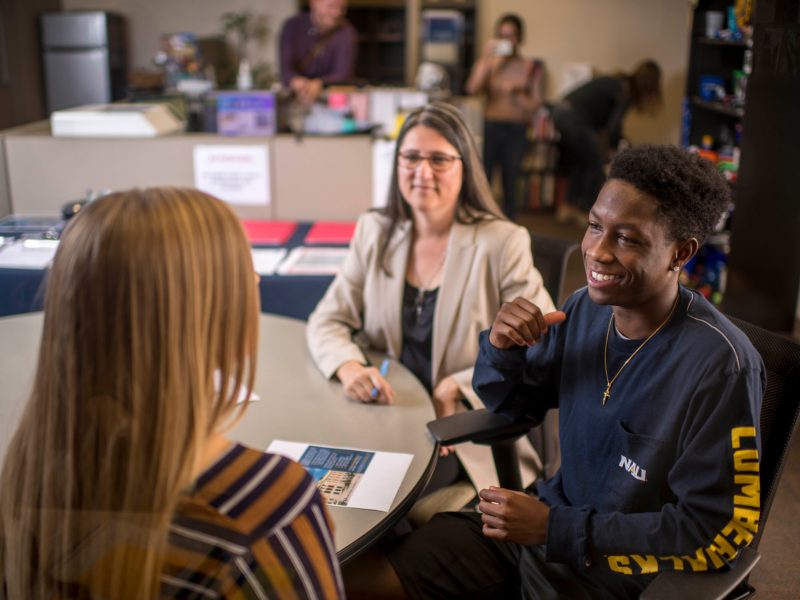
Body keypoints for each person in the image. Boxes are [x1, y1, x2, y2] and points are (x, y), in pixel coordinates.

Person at [376, 145, 764, 599]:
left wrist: (557, 529)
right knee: (358, 580)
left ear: (680, 253)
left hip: (615, 572)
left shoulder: (719, 366)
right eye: (595, 226)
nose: (596, 251)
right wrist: (503, 351)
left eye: (627, 238)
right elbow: (513, 407)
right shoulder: (584, 310)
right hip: (541, 529)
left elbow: (715, 535)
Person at [0, 188, 344, 599]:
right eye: (244, 272)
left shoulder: (26, 483)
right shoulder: (267, 509)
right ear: (211, 313)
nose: (255, 281)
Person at [306, 102, 555, 497]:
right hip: (383, 414)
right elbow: (327, 319)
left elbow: (542, 345)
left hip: (459, 429)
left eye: (438, 159)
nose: (422, 172)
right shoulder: (376, 229)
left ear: (464, 166)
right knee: (311, 482)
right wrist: (349, 367)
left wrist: (455, 387)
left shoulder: (502, 242)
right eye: (411, 158)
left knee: (375, 496)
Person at [553, 59, 663, 226]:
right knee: (595, 164)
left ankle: (568, 207)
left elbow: (608, 125)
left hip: (560, 112)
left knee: (581, 162)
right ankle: (589, 214)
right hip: (574, 118)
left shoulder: (618, 82)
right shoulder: (626, 90)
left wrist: (615, 141)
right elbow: (613, 126)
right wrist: (615, 147)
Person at [466, 13, 543, 220]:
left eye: (511, 36)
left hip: (516, 130)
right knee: (485, 178)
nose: (507, 40)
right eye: (502, 35)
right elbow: (472, 88)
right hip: (491, 126)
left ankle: (510, 225)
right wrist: (486, 59)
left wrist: (518, 92)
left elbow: (535, 105)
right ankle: (482, 221)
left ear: (519, 38)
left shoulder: (529, 66)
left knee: (512, 181)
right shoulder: (489, 63)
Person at [279, 0, 357, 106]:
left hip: (330, 103)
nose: (337, 13)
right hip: (295, 101)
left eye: (342, 8)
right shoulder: (292, 26)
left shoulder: (346, 32)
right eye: (331, 6)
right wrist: (299, 83)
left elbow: (343, 73)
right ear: (314, 3)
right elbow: (286, 70)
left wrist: (319, 84)